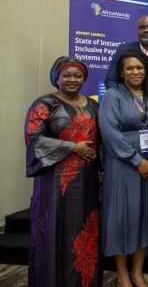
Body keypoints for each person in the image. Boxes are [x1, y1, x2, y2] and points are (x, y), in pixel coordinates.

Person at [24, 57, 101, 287]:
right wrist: (72, 147)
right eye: (66, 75)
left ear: (84, 78)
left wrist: (102, 173)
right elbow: (34, 138)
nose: (72, 80)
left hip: (87, 181)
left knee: (82, 232)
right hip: (55, 182)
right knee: (54, 231)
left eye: (77, 75)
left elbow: (101, 142)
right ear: (56, 77)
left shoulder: (93, 105)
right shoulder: (44, 104)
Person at [100, 48, 148, 287]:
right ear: (121, 71)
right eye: (130, 68)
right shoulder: (113, 95)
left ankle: (138, 272)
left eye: (139, 67)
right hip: (124, 167)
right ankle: (122, 274)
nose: (135, 72)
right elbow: (109, 133)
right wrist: (138, 162)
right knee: (123, 218)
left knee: (144, 219)